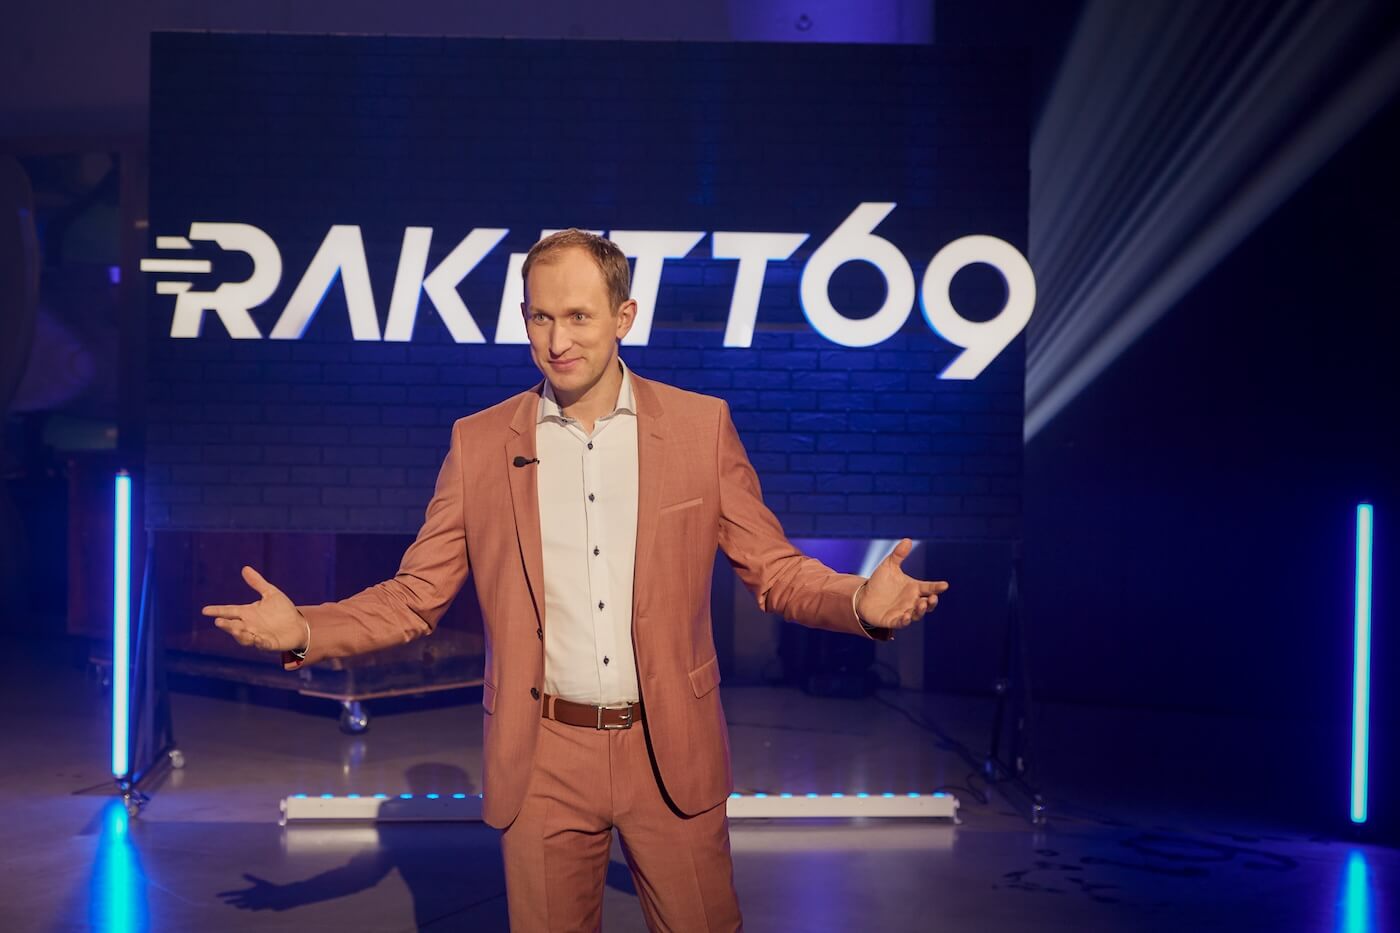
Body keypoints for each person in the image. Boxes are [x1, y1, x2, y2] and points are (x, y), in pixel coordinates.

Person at [204, 229, 949, 932]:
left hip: (671, 745)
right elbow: (414, 595)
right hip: (542, 756)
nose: (557, 340)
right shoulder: (479, 443)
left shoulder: (700, 428)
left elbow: (775, 569)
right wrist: (307, 627)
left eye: (579, 317)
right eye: (541, 317)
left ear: (624, 317)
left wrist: (858, 600)